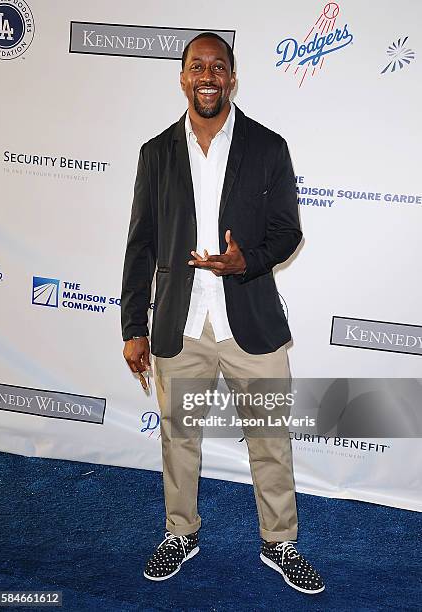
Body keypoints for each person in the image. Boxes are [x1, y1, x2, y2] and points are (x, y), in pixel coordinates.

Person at [121, 32, 325, 594]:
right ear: (183, 78)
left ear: (232, 78)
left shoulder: (268, 147)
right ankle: (180, 532)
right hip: (180, 326)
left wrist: (245, 263)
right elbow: (140, 247)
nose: (207, 76)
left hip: (250, 324)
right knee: (178, 437)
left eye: (218, 67)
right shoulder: (156, 153)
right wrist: (133, 327)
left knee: (270, 440)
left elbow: (288, 234)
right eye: (196, 67)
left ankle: (279, 542)